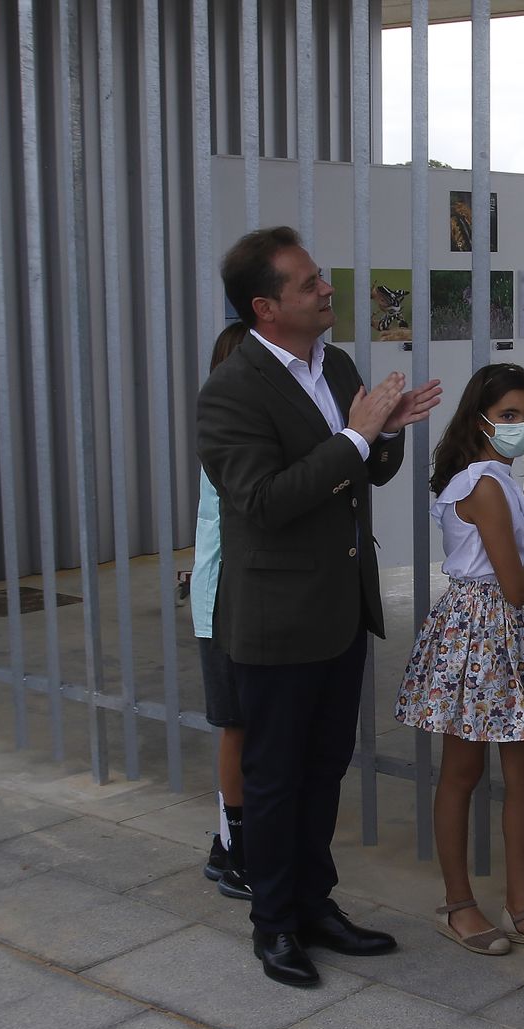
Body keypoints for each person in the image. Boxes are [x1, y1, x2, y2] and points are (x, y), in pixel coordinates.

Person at [196, 226, 442, 987]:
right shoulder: (231, 392)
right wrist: (355, 435)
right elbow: (265, 503)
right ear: (266, 307)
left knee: (325, 767)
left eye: (321, 277)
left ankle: (316, 904)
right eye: (308, 284)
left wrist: (385, 434)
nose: (327, 289)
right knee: (274, 778)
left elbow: (357, 469)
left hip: (340, 607)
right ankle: (275, 924)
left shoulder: (333, 364)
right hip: (275, 618)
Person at [393, 363, 524, 956]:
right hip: (484, 630)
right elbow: (516, 586)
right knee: (466, 771)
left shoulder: (494, 480)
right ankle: (460, 903)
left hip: (498, 634)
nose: (523, 426)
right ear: (480, 417)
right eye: (511, 415)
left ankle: (522, 908)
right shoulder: (485, 484)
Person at [193, 321, 252, 901]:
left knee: (250, 726)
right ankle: (237, 848)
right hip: (225, 603)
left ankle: (231, 843)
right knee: (238, 725)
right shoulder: (228, 435)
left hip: (243, 600)